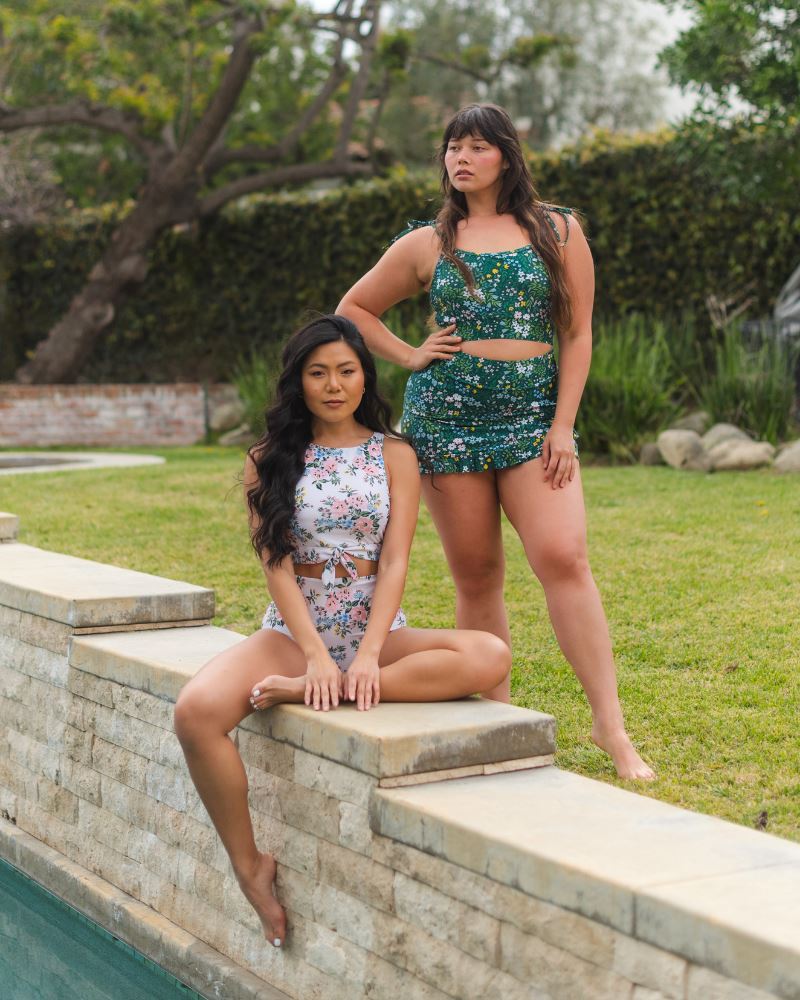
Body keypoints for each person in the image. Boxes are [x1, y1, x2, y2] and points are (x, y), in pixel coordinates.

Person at [337, 103, 654, 781]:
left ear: (505, 157)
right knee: (477, 576)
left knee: (564, 557)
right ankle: (497, 720)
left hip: (533, 422)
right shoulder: (428, 241)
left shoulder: (557, 230)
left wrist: (563, 426)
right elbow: (353, 310)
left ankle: (610, 726)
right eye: (453, 147)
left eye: (476, 147)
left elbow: (577, 333)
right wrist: (411, 354)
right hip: (445, 427)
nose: (461, 158)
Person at [173, 314, 511, 947]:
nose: (333, 385)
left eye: (346, 371)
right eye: (318, 372)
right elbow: (275, 564)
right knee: (195, 712)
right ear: (298, 382)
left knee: (490, 654)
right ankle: (249, 868)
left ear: (365, 378)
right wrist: (313, 656)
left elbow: (395, 561)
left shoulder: (396, 454)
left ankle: (338, 687)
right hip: (292, 631)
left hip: (372, 625)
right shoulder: (267, 460)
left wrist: (367, 656)